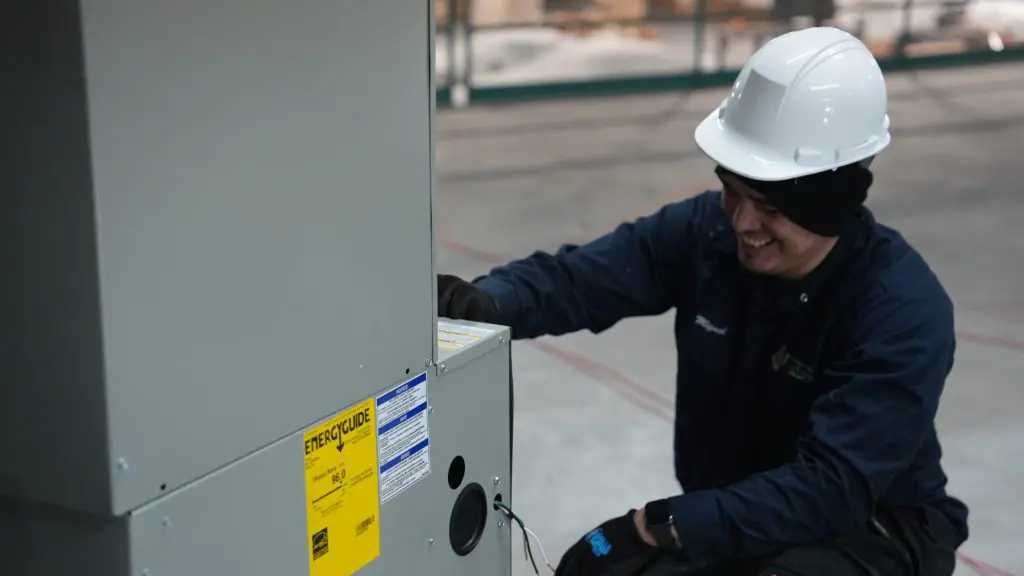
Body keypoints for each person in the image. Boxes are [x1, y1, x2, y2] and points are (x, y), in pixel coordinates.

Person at [437, 27, 969, 576]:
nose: (742, 223)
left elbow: (830, 487)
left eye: (767, 207)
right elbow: (581, 279)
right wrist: (487, 303)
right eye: (732, 192)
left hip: (872, 529)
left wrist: (662, 524)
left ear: (829, 206)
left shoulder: (900, 311)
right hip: (741, 505)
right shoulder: (704, 232)